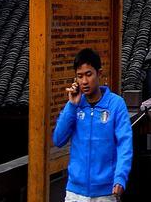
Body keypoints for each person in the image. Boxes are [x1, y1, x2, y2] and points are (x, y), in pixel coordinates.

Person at [53, 48, 133, 201]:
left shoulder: (116, 104)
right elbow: (58, 139)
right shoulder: (75, 105)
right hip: (75, 192)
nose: (84, 81)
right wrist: (71, 105)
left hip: (106, 191)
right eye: (79, 76)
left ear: (99, 73)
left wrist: (120, 177)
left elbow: (125, 145)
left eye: (89, 74)